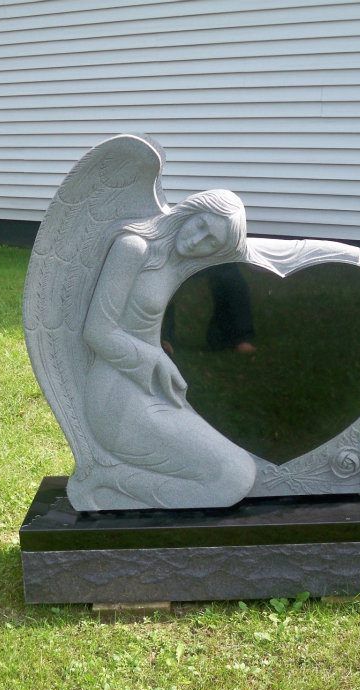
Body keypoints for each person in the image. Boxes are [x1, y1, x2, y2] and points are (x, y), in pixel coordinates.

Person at [77, 190, 257, 509]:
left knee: (238, 472)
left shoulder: (180, 265)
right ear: (190, 211)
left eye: (210, 243)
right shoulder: (134, 247)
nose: (196, 240)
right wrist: (154, 359)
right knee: (233, 476)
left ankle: (116, 483)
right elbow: (97, 331)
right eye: (200, 225)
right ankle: (103, 483)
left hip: (155, 392)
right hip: (117, 396)